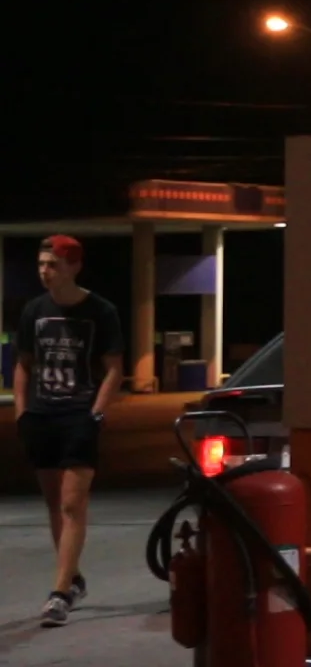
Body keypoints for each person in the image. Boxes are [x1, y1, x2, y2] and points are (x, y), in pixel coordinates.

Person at [13, 235, 123, 627]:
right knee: (53, 504)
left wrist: (96, 413)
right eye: (41, 264)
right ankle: (73, 579)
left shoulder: (101, 311)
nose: (45, 271)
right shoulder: (33, 311)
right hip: (42, 416)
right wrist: (21, 411)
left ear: (74, 267)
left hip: (79, 415)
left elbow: (114, 368)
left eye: (53, 265)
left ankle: (59, 593)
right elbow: (24, 363)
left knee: (73, 504)